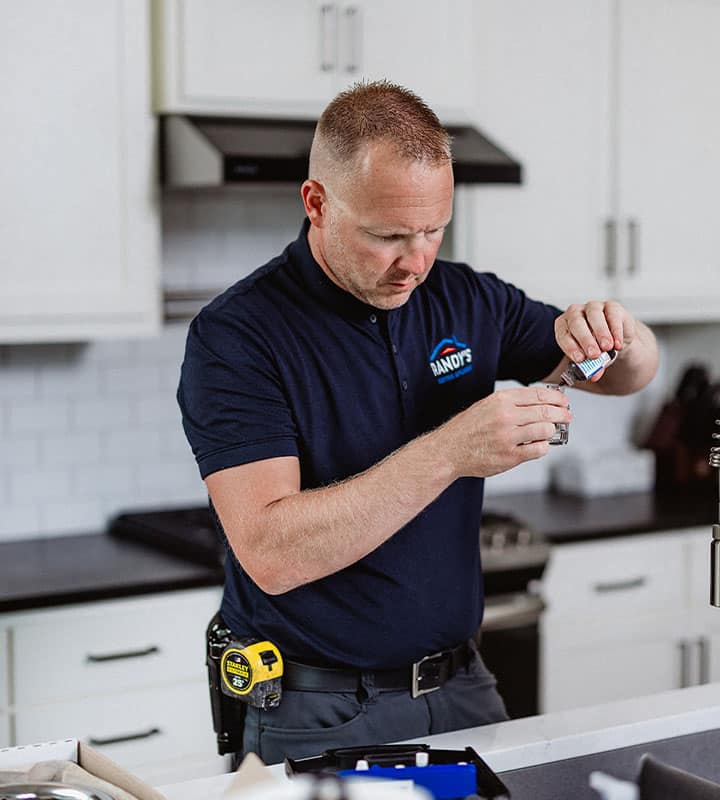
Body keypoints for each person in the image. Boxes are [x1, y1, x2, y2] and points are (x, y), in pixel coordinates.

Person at [177, 79, 659, 765]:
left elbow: (621, 373)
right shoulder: (239, 336)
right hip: (318, 711)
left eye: (435, 230)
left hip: (462, 688)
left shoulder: (466, 298)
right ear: (316, 204)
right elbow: (272, 552)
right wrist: (453, 450)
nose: (417, 261)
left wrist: (622, 333)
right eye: (388, 236)